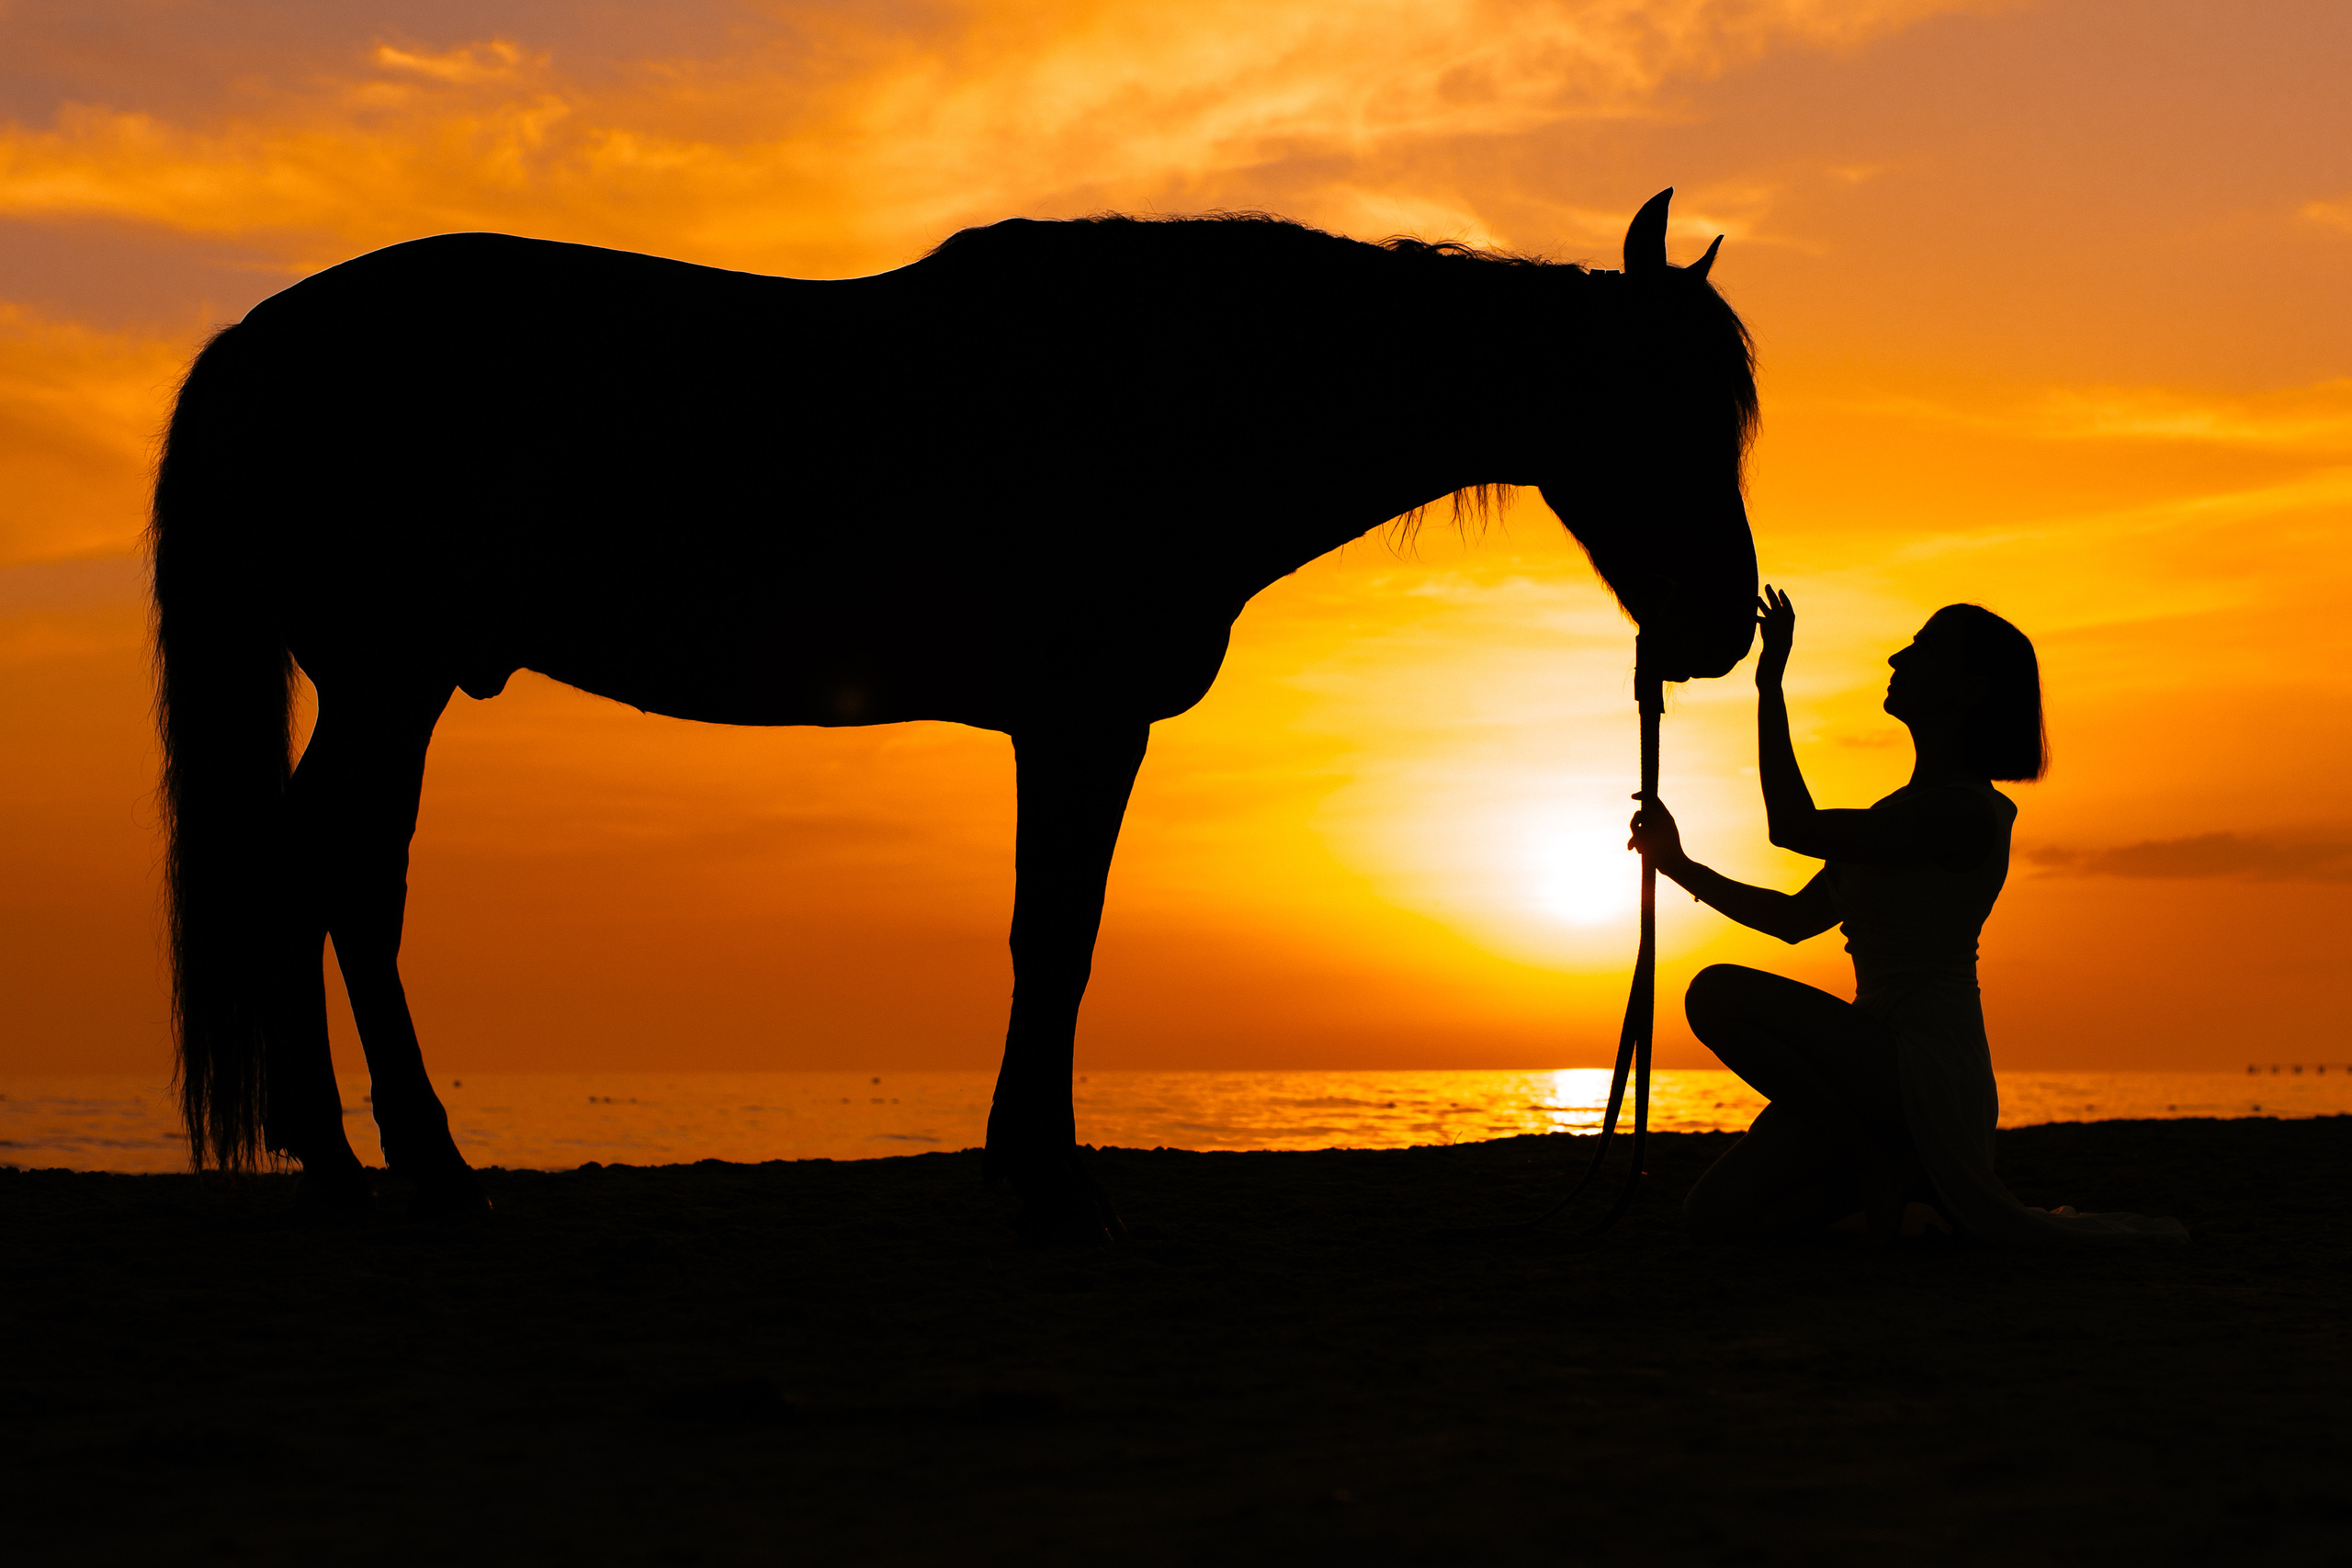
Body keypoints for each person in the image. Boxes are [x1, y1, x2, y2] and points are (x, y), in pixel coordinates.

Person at [1628, 589, 2187, 1246]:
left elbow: (1794, 826)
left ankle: (1876, 1160)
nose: (1897, 657)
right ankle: (1901, 1186)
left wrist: (1770, 685)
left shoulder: (1966, 814)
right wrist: (1677, 863)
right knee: (1715, 1218)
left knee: (1715, 992)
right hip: (1867, 1064)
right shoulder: (1897, 813)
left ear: (1970, 689)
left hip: (1922, 1067)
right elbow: (1791, 918)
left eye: (1921, 650)